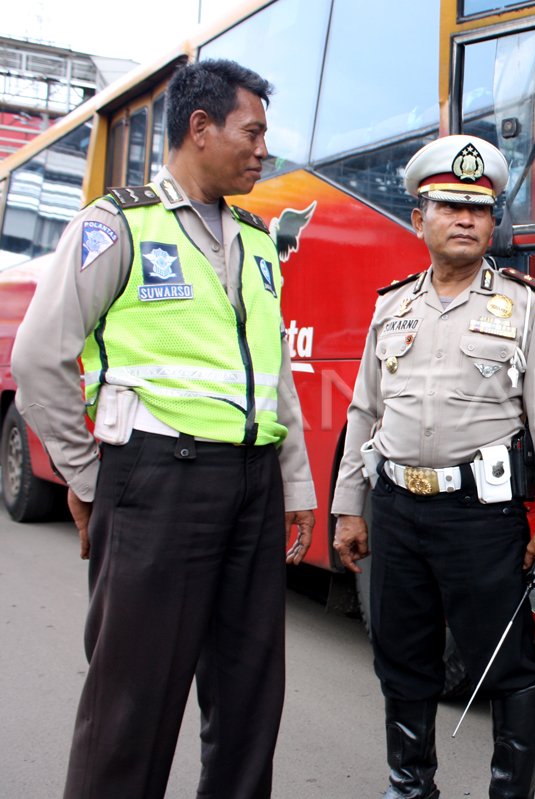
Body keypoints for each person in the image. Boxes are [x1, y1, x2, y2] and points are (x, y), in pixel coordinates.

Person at [11, 59, 316, 799]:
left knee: (249, 702)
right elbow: (37, 359)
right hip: (156, 481)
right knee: (132, 705)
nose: (263, 150)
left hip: (250, 486)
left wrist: (295, 482)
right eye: (252, 132)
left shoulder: (254, 240)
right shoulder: (116, 223)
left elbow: (274, 374)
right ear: (200, 127)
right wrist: (91, 476)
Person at [331, 134, 535, 799]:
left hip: (481, 516)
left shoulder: (526, 306)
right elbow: (363, 411)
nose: (466, 219)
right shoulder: (393, 307)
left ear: (494, 222)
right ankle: (409, 787)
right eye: (449, 205)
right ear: (419, 219)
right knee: (402, 659)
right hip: (398, 512)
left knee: (507, 665)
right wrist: (349, 508)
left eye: (479, 207)